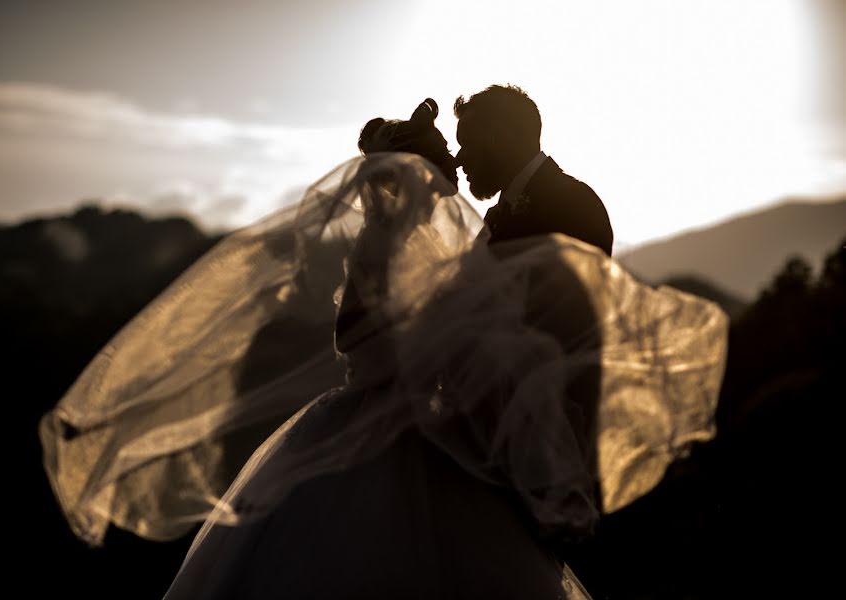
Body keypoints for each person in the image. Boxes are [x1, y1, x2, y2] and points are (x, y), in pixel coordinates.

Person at [40, 99, 728, 599]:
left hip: (477, 426)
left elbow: (560, 334)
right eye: (444, 158)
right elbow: (383, 340)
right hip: (425, 430)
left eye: (465, 144)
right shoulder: (435, 238)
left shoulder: (558, 210)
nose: (457, 163)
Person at [455, 84, 614, 256]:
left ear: (501, 140)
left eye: (468, 143)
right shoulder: (495, 217)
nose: (459, 159)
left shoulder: (575, 203)